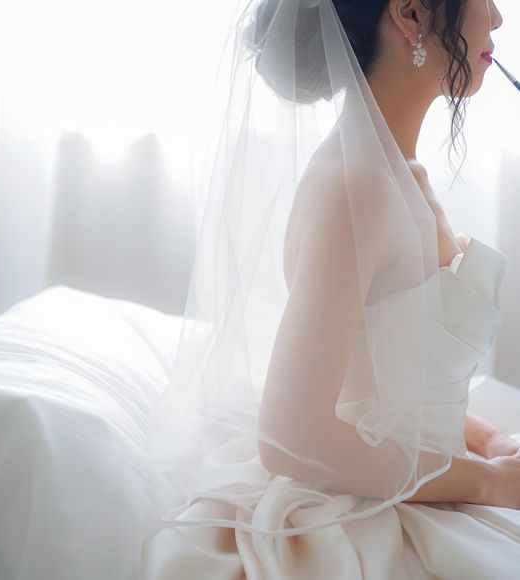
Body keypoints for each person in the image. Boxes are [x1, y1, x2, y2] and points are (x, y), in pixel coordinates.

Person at [141, 0, 520, 578]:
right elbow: (290, 436)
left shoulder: (393, 168)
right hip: (363, 512)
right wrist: (488, 482)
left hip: (419, 475)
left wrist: (490, 442)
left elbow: (390, 382)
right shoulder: (357, 184)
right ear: (411, 15)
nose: (496, 19)